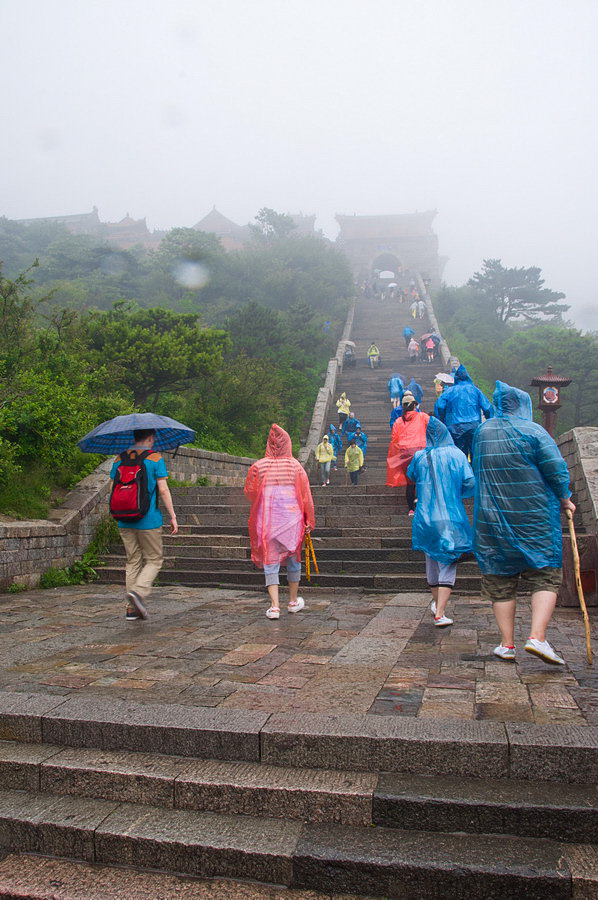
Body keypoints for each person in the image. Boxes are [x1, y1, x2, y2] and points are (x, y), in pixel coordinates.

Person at [472, 382, 575, 664]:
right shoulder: (534, 431)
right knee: (545, 574)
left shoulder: (482, 432)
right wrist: (565, 498)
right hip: (534, 518)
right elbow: (555, 468)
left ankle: (507, 644)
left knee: (500, 578)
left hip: (492, 521)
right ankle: (537, 637)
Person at [407, 419, 474, 626]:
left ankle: (437, 604)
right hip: (450, 516)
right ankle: (440, 613)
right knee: (448, 561)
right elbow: (469, 481)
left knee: (432, 561)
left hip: (425, 517)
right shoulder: (457, 455)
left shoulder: (420, 456)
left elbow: (411, 474)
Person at [244, 424, 315, 620]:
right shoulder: (295, 466)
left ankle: (274, 606)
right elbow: (305, 496)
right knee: (293, 560)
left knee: (271, 561)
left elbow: (250, 493)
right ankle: (292, 601)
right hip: (292, 523)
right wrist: (308, 519)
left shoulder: (259, 466)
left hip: (267, 523)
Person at [110, 428, 178, 621]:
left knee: (133, 561)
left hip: (124, 518)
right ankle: (138, 592)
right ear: (149, 438)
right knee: (154, 560)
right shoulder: (155, 458)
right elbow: (163, 490)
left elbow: (113, 488)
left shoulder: (118, 459)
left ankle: (131, 610)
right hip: (148, 520)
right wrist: (172, 516)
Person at [434, 364, 492, 459]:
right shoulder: (475, 390)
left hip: (455, 427)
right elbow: (487, 407)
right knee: (475, 453)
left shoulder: (450, 391)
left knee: (459, 455)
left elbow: (439, 406)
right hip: (474, 425)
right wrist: (489, 420)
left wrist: (442, 420)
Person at [386, 391, 429, 515]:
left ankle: (411, 509)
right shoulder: (423, 417)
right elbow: (433, 428)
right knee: (421, 480)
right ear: (415, 405)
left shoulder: (398, 421)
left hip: (405, 454)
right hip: (421, 452)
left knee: (410, 483)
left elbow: (394, 438)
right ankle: (421, 505)